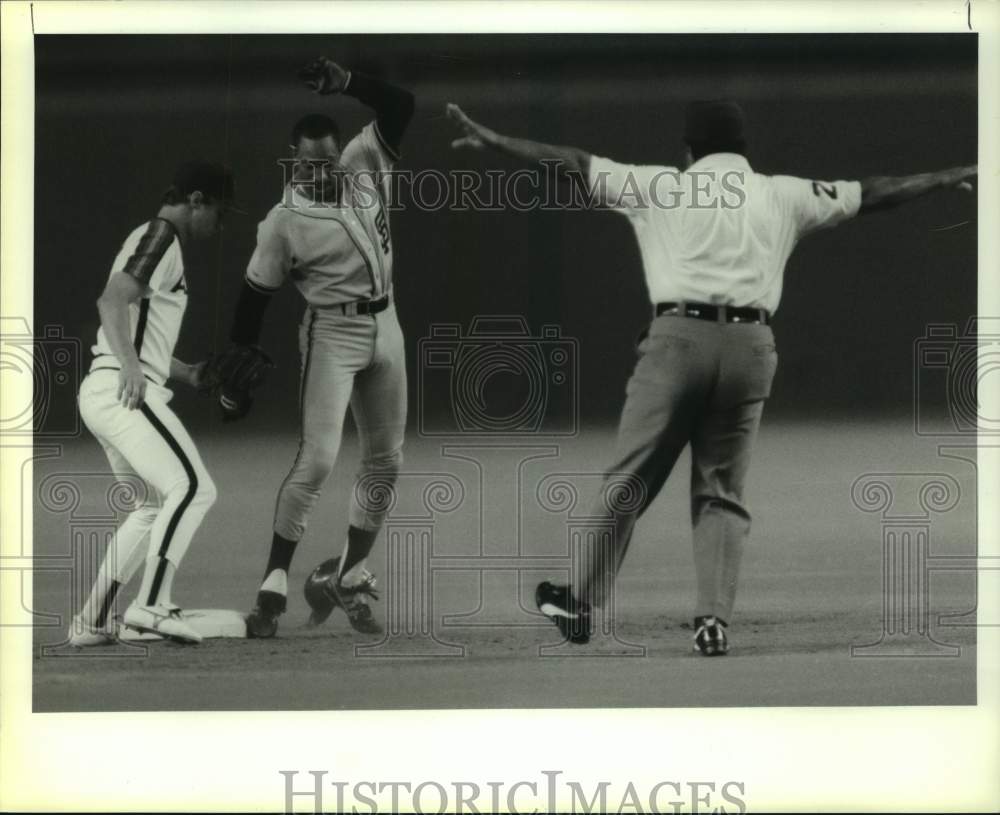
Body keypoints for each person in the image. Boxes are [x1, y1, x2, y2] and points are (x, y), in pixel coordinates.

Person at [446, 99, 977, 654]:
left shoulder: (661, 186)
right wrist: (942, 179)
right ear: (743, 150)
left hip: (675, 343)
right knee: (722, 492)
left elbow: (573, 161)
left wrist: (497, 139)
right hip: (751, 347)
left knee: (626, 483)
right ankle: (712, 623)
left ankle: (578, 603)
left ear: (690, 150)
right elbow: (872, 193)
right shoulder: (782, 193)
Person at [231, 57, 415, 638]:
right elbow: (253, 296)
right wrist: (238, 370)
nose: (320, 169)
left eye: (327, 159)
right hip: (332, 333)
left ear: (341, 152)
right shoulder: (284, 220)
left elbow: (401, 104)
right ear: (294, 160)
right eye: (308, 162)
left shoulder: (363, 161)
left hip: (387, 326)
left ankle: (350, 571)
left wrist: (350, 82)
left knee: (387, 461)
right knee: (317, 461)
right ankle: (272, 586)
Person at [70, 161, 243, 646]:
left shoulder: (156, 239)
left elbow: (138, 322)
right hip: (121, 388)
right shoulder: (162, 236)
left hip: (109, 389)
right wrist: (130, 366)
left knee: (149, 505)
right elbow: (111, 301)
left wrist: (186, 372)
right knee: (192, 488)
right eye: (220, 211)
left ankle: (92, 621)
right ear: (195, 200)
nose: (221, 223)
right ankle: (151, 604)